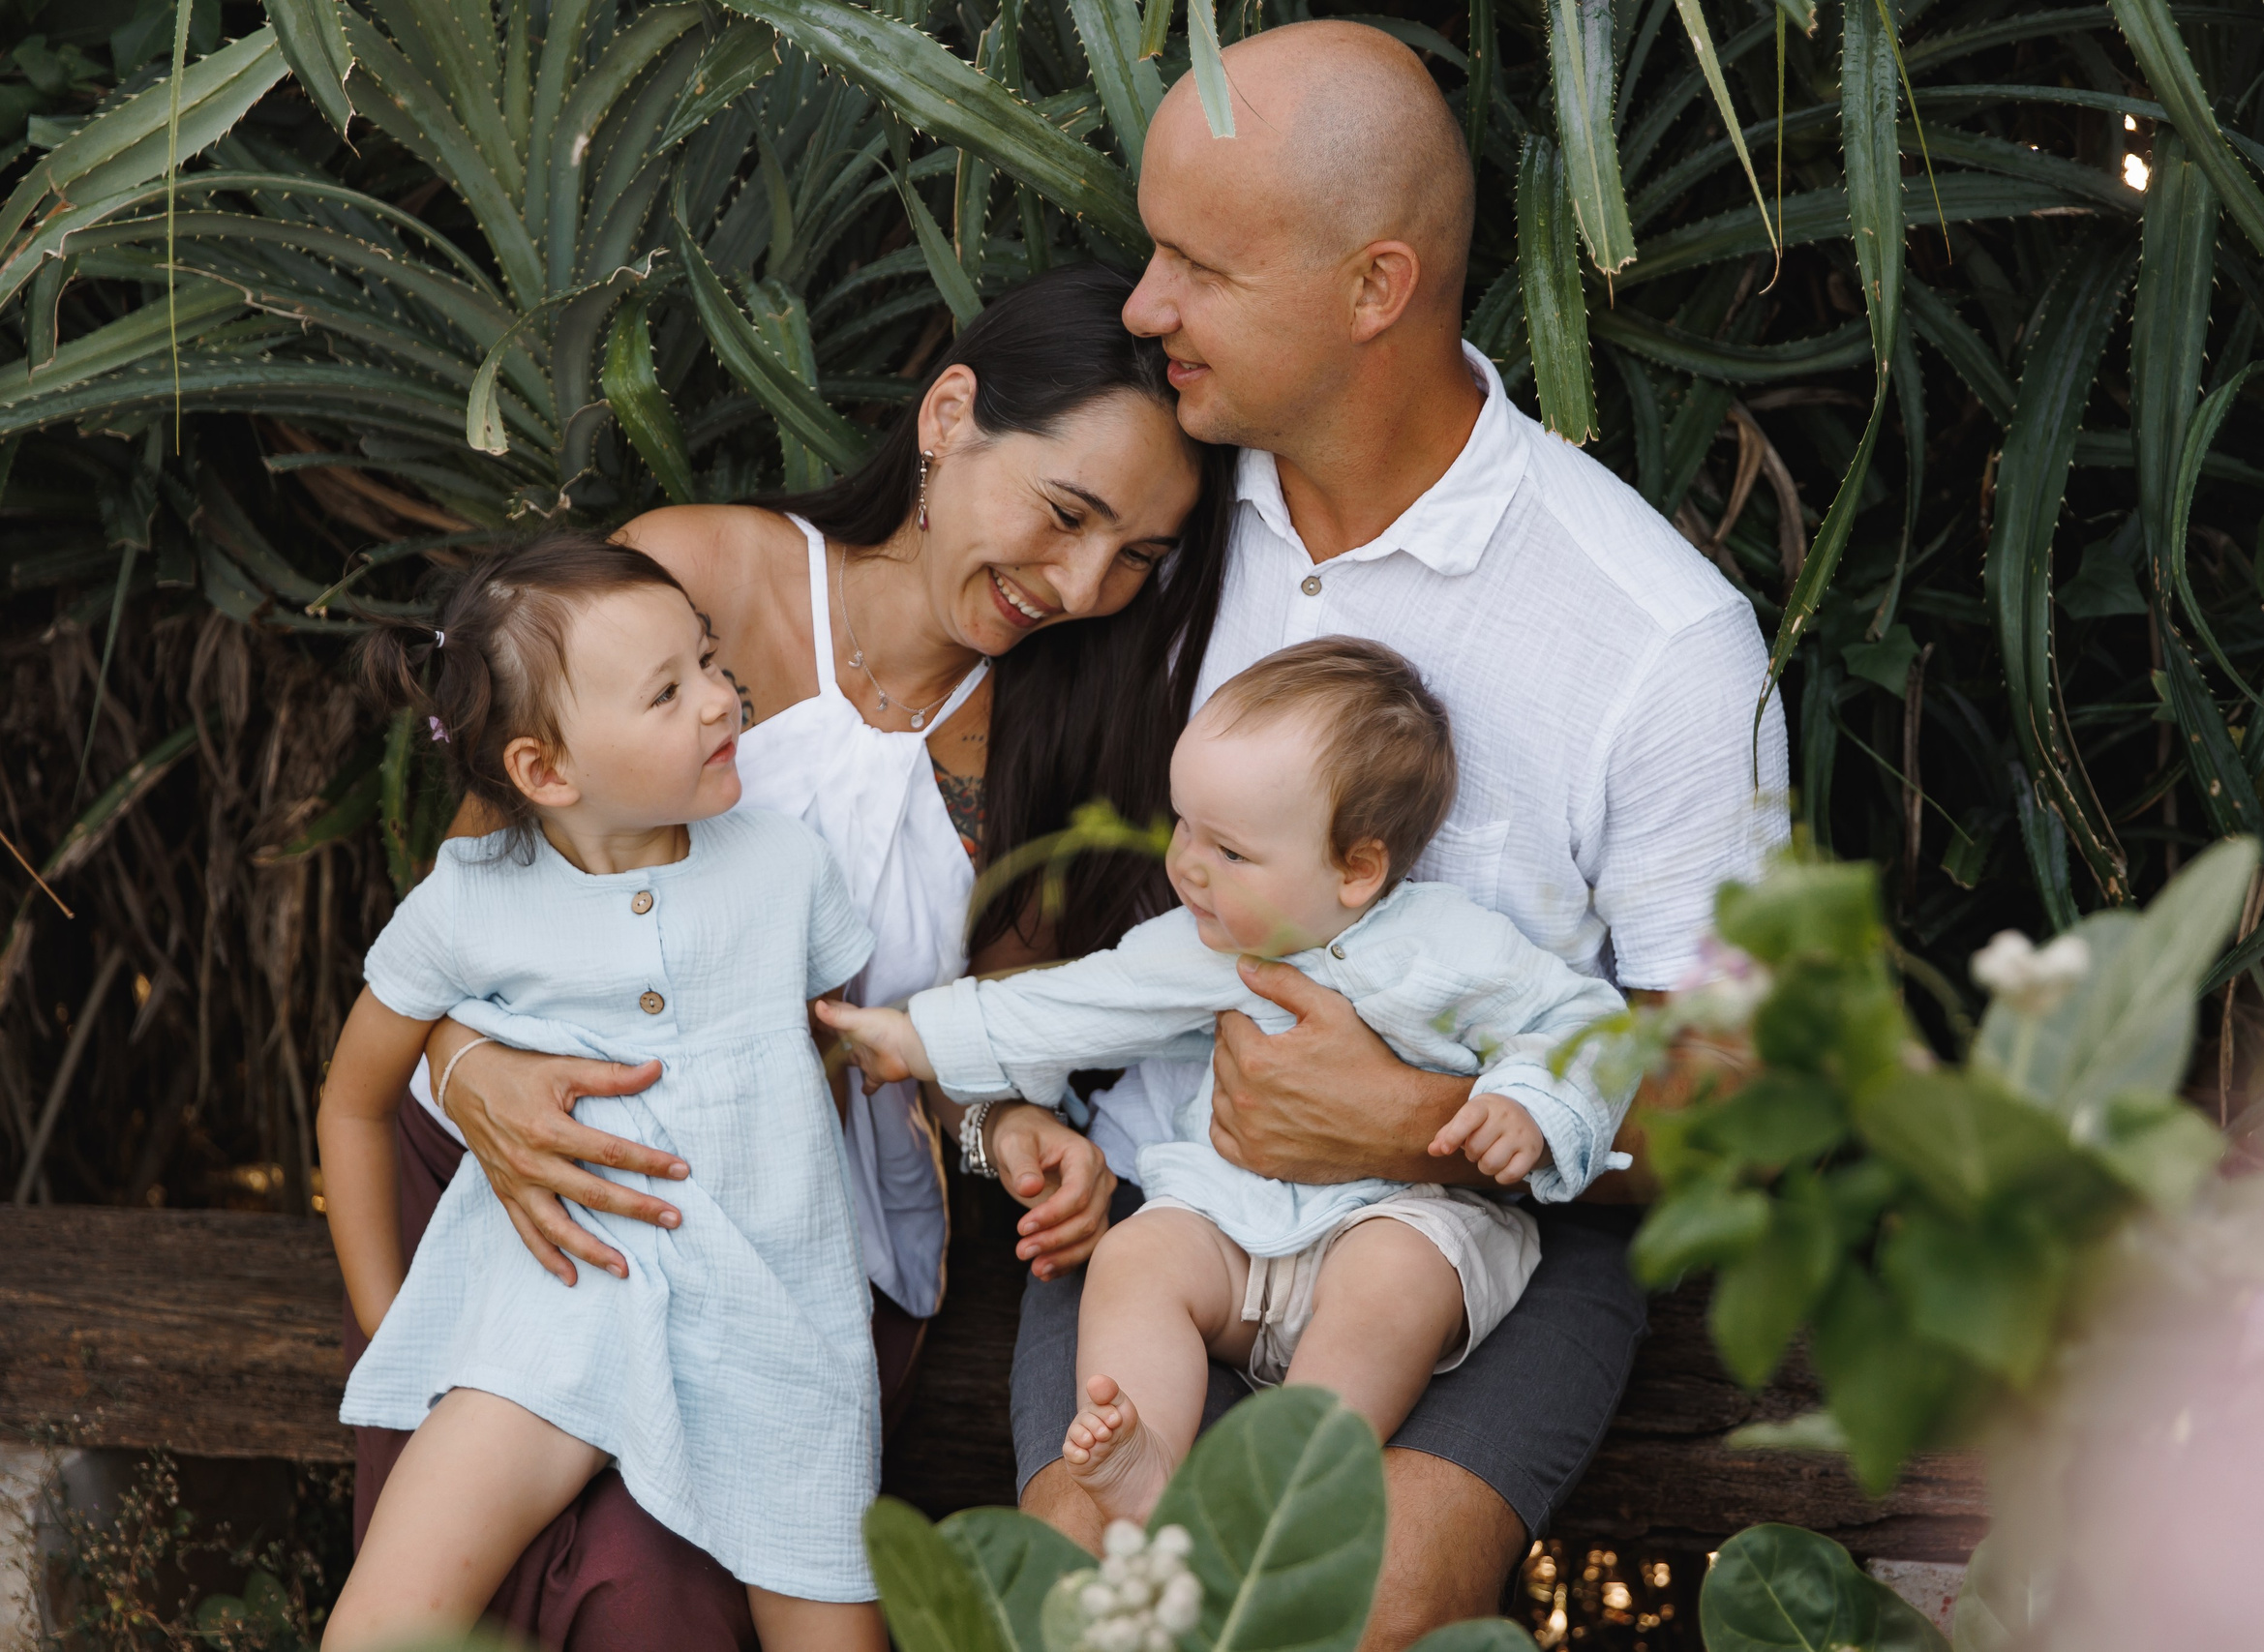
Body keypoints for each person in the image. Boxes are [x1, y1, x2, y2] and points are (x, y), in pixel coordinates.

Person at [1009, 20, 1789, 1644]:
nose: (1143, 307)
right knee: (1100, 1606)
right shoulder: (1130, 524)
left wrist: (1416, 1117)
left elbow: (1745, 1097)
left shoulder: (1649, 639)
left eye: (1199, 266)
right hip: (1162, 1198)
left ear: (1377, 287)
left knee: (1348, 1607)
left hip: (1493, 1241)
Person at [351, 264, 1232, 1650]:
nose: (1079, 584)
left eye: (1138, 557)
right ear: (949, 416)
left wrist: (1007, 1121)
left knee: (657, 1594)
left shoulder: (1064, 741)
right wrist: (470, 1077)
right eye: (1067, 514)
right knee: (456, 1543)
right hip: (542, 1160)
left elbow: (964, 1039)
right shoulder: (695, 578)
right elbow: (475, 900)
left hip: (788, 1232)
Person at [823, 638, 1627, 1519]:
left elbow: (1584, 1022)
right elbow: (1073, 1002)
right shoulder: (1203, 943)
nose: (1187, 866)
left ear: (1357, 869)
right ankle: (1145, 1455)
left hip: (1399, 1215)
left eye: (1230, 852)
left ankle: (1287, 1478)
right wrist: (912, 1035)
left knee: (1395, 1275)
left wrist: (1531, 1102)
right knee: (1136, 1255)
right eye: (1183, 826)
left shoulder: (1451, 946)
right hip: (1230, 1228)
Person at [317, 535, 883, 1650]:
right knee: (385, 1623)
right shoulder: (468, 902)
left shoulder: (784, 866)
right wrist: (394, 1325)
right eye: (668, 693)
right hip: (549, 1305)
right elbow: (353, 1101)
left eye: (711, 664)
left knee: (830, 1625)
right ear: (546, 771)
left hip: (778, 1324)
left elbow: (846, 1057)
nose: (722, 703)